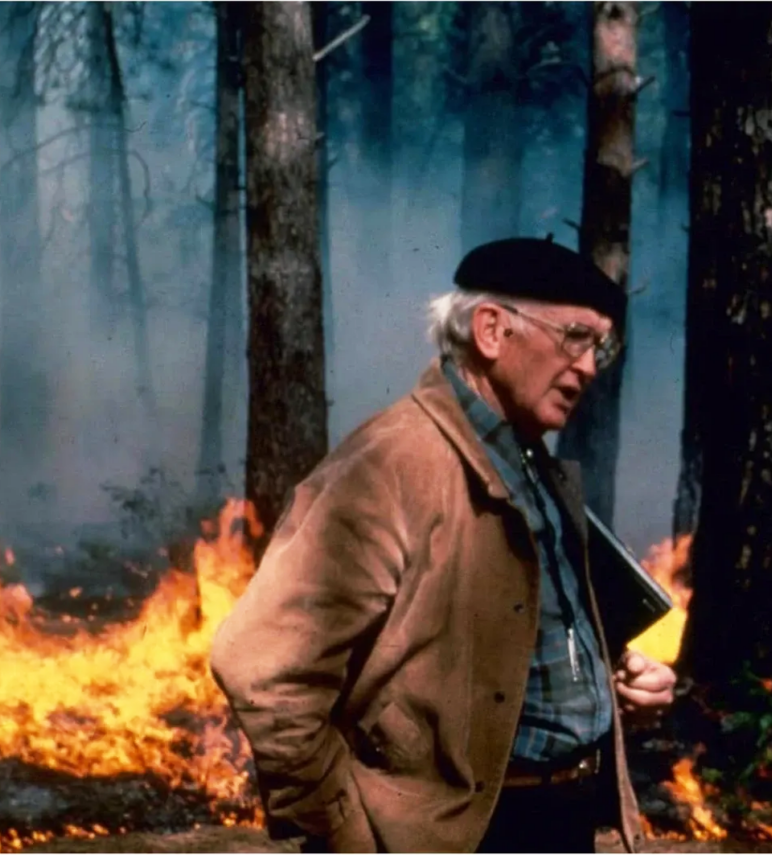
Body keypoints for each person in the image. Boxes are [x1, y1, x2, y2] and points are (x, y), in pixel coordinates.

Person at [210, 237, 677, 853]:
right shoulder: (393, 462)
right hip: (461, 835)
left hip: (556, 822)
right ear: (490, 330)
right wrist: (348, 833)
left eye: (601, 347)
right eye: (575, 337)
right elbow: (263, 669)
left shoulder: (529, 461)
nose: (591, 367)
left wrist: (612, 685)